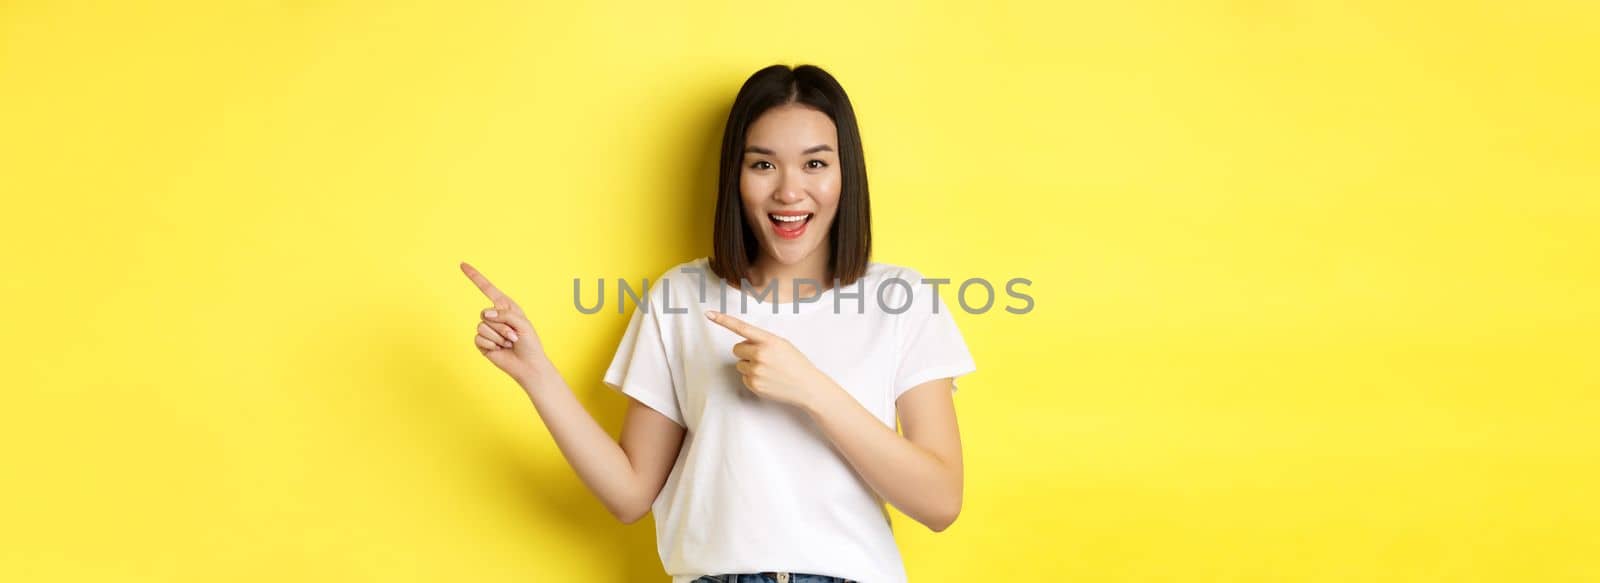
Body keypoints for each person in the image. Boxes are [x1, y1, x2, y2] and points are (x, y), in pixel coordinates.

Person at [460, 64, 975, 583]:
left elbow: (940, 502)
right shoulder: (681, 297)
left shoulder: (902, 299)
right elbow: (629, 494)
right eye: (763, 165)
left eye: (815, 163)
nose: (790, 191)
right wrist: (536, 374)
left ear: (847, 175)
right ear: (736, 175)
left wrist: (812, 389)